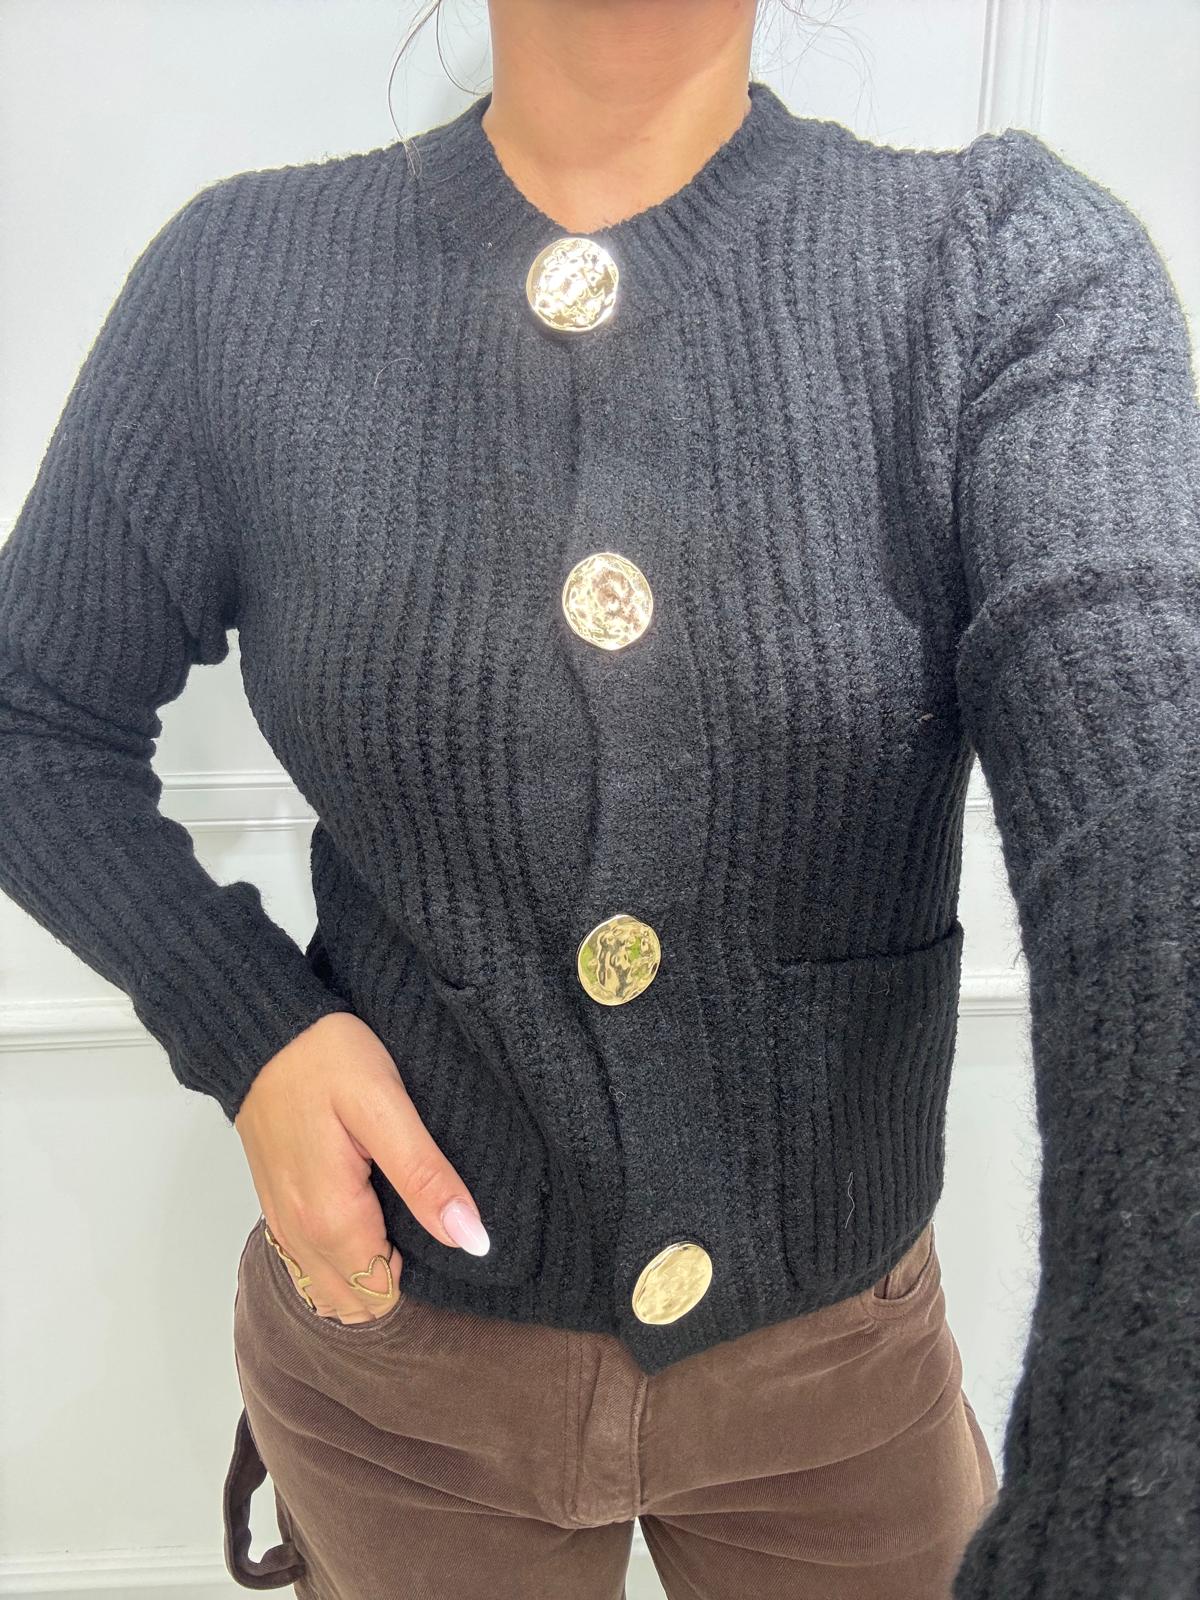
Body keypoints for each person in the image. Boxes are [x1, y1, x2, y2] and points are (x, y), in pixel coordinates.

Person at [1, 1, 1197, 1596]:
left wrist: (1129, 1499)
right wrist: (250, 1027)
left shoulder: (995, 269)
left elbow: (1153, 809)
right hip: (397, 1370)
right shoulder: (242, 283)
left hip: (838, 1389)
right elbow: (31, 716)